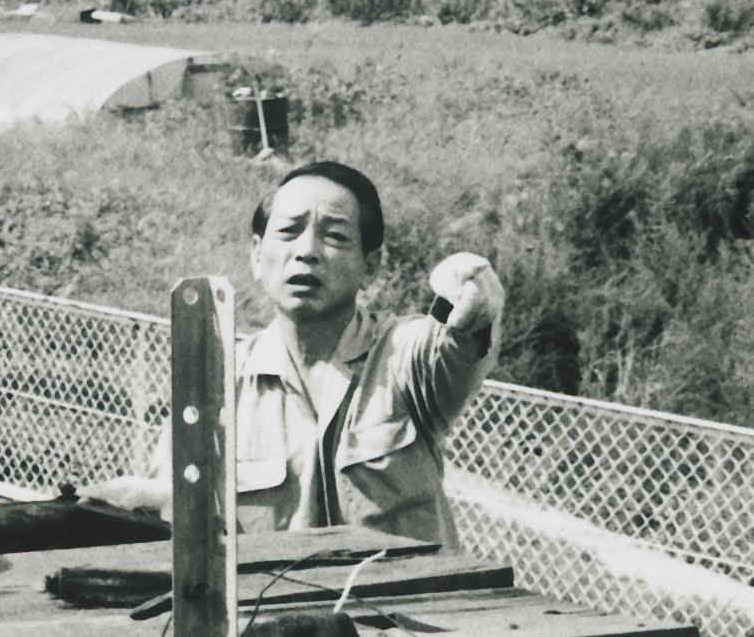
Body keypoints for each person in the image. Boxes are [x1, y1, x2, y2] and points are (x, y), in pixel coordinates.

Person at [84, 161, 504, 546]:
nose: (307, 250)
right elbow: (178, 503)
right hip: (267, 620)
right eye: (288, 232)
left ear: (370, 267)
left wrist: (467, 297)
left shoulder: (401, 357)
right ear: (256, 254)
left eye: (335, 236)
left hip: (402, 619)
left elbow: (457, 342)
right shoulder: (214, 381)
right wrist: (141, 501)